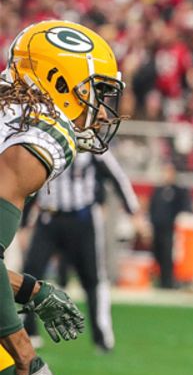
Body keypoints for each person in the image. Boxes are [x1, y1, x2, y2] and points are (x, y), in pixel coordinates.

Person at [0, 19, 123, 375]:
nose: (101, 111)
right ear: (59, 81)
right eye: (96, 93)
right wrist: (22, 346)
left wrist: (28, 291)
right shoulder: (35, 144)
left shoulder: (15, 115)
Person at [24, 147, 140, 353]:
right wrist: (24, 222)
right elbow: (31, 180)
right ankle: (29, 332)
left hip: (82, 218)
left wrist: (134, 210)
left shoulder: (90, 143)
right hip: (48, 218)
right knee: (29, 275)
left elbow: (117, 175)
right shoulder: (44, 139)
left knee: (93, 278)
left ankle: (102, 336)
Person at [147, 161, 191, 289]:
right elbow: (152, 208)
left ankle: (169, 281)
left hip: (171, 229)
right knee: (158, 253)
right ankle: (160, 279)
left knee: (168, 255)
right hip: (157, 227)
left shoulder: (179, 191)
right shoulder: (158, 190)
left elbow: (184, 208)